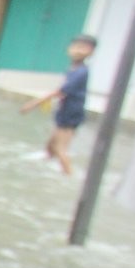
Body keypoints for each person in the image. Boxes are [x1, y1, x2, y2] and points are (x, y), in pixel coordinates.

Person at [21, 34, 96, 175]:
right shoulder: (74, 68)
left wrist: (33, 104)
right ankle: (46, 169)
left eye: (83, 48)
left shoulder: (82, 71)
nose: (78, 50)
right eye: (76, 47)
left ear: (91, 52)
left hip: (71, 114)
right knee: (51, 146)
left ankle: (69, 175)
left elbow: (60, 91)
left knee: (61, 149)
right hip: (65, 111)